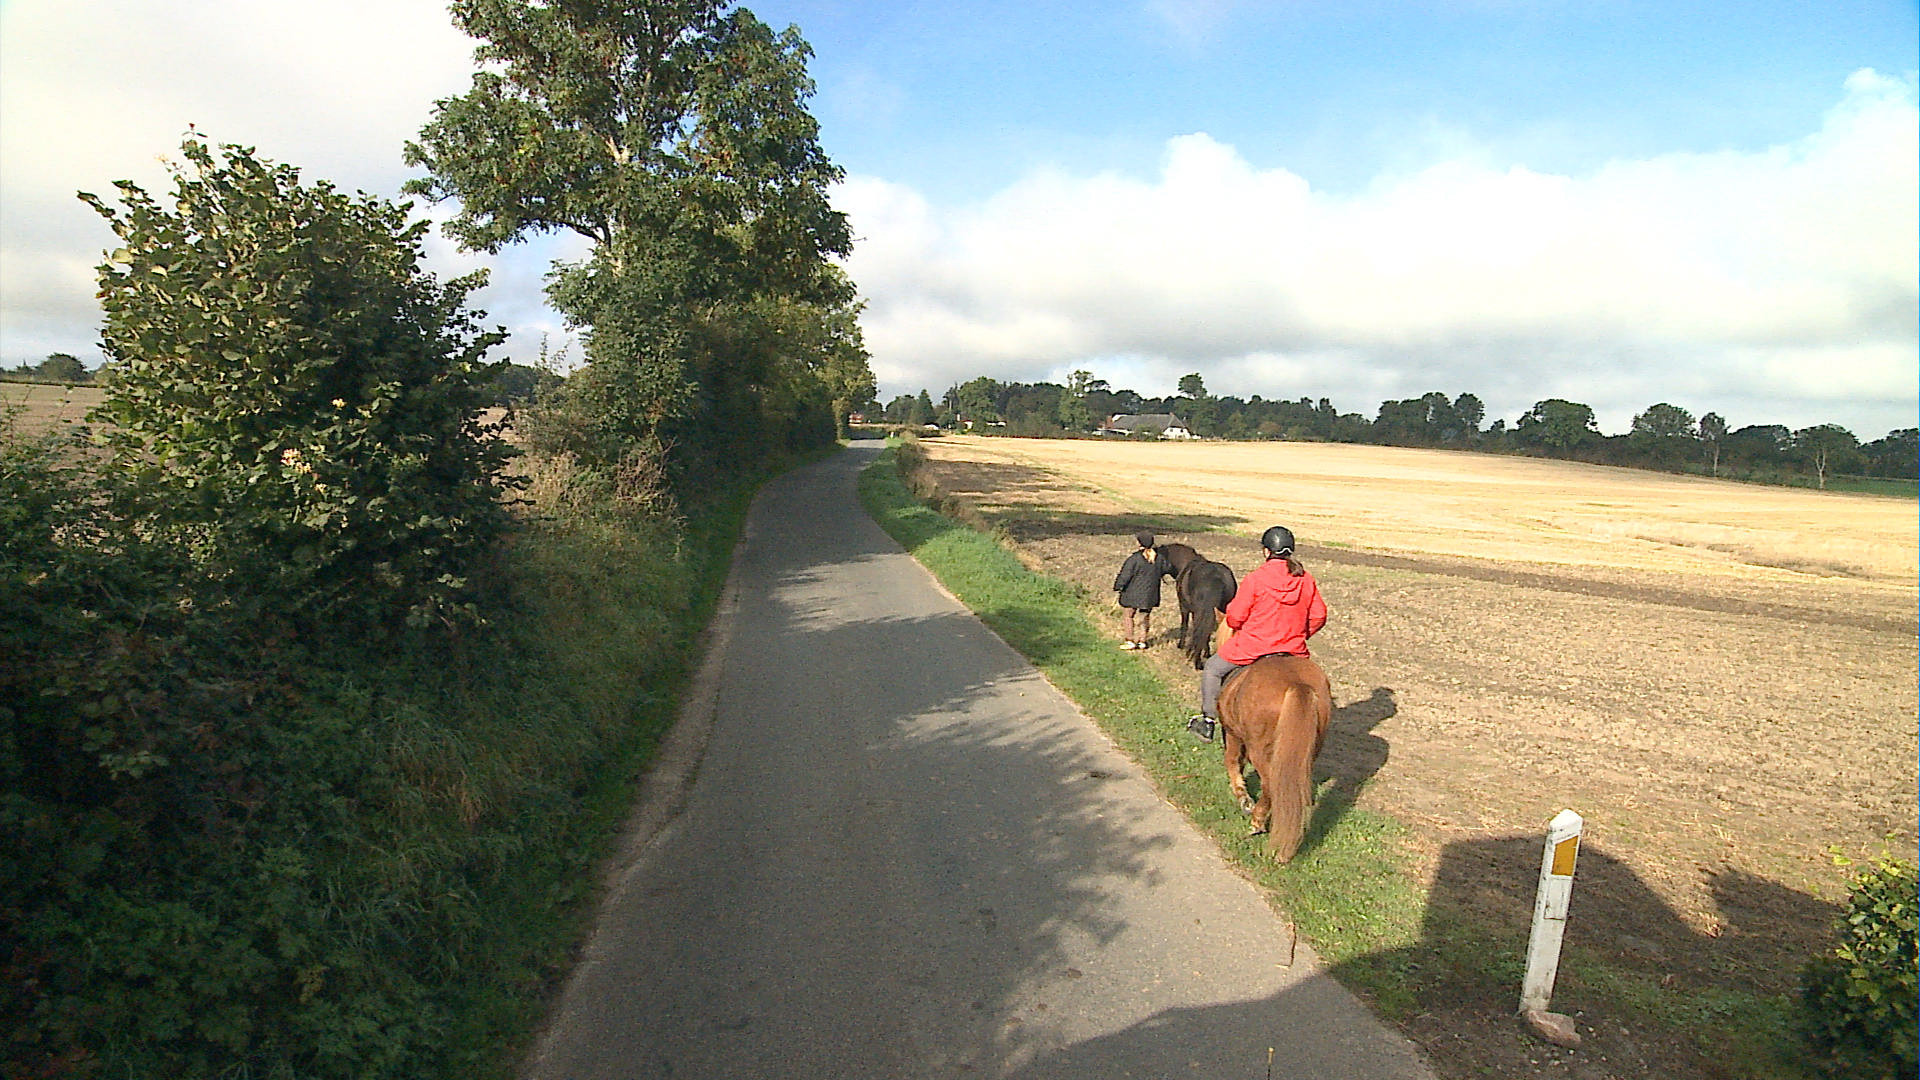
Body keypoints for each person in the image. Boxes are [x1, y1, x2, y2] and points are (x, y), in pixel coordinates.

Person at [1188, 525, 1327, 740]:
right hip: (1293, 648)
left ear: (1266, 551)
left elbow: (1235, 617)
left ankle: (1207, 722)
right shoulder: (1305, 579)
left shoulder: (1256, 579)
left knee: (1213, 668)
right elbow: (1319, 615)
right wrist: (1299, 634)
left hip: (1252, 647)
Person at [1111, 530, 1164, 649]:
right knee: (1144, 617)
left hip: (1132, 594)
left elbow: (1125, 575)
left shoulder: (1134, 559)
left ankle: (1129, 640)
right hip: (1150, 595)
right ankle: (1142, 641)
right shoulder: (1159, 559)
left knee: (1128, 616)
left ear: (1140, 543)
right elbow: (1166, 568)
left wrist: (1118, 586)